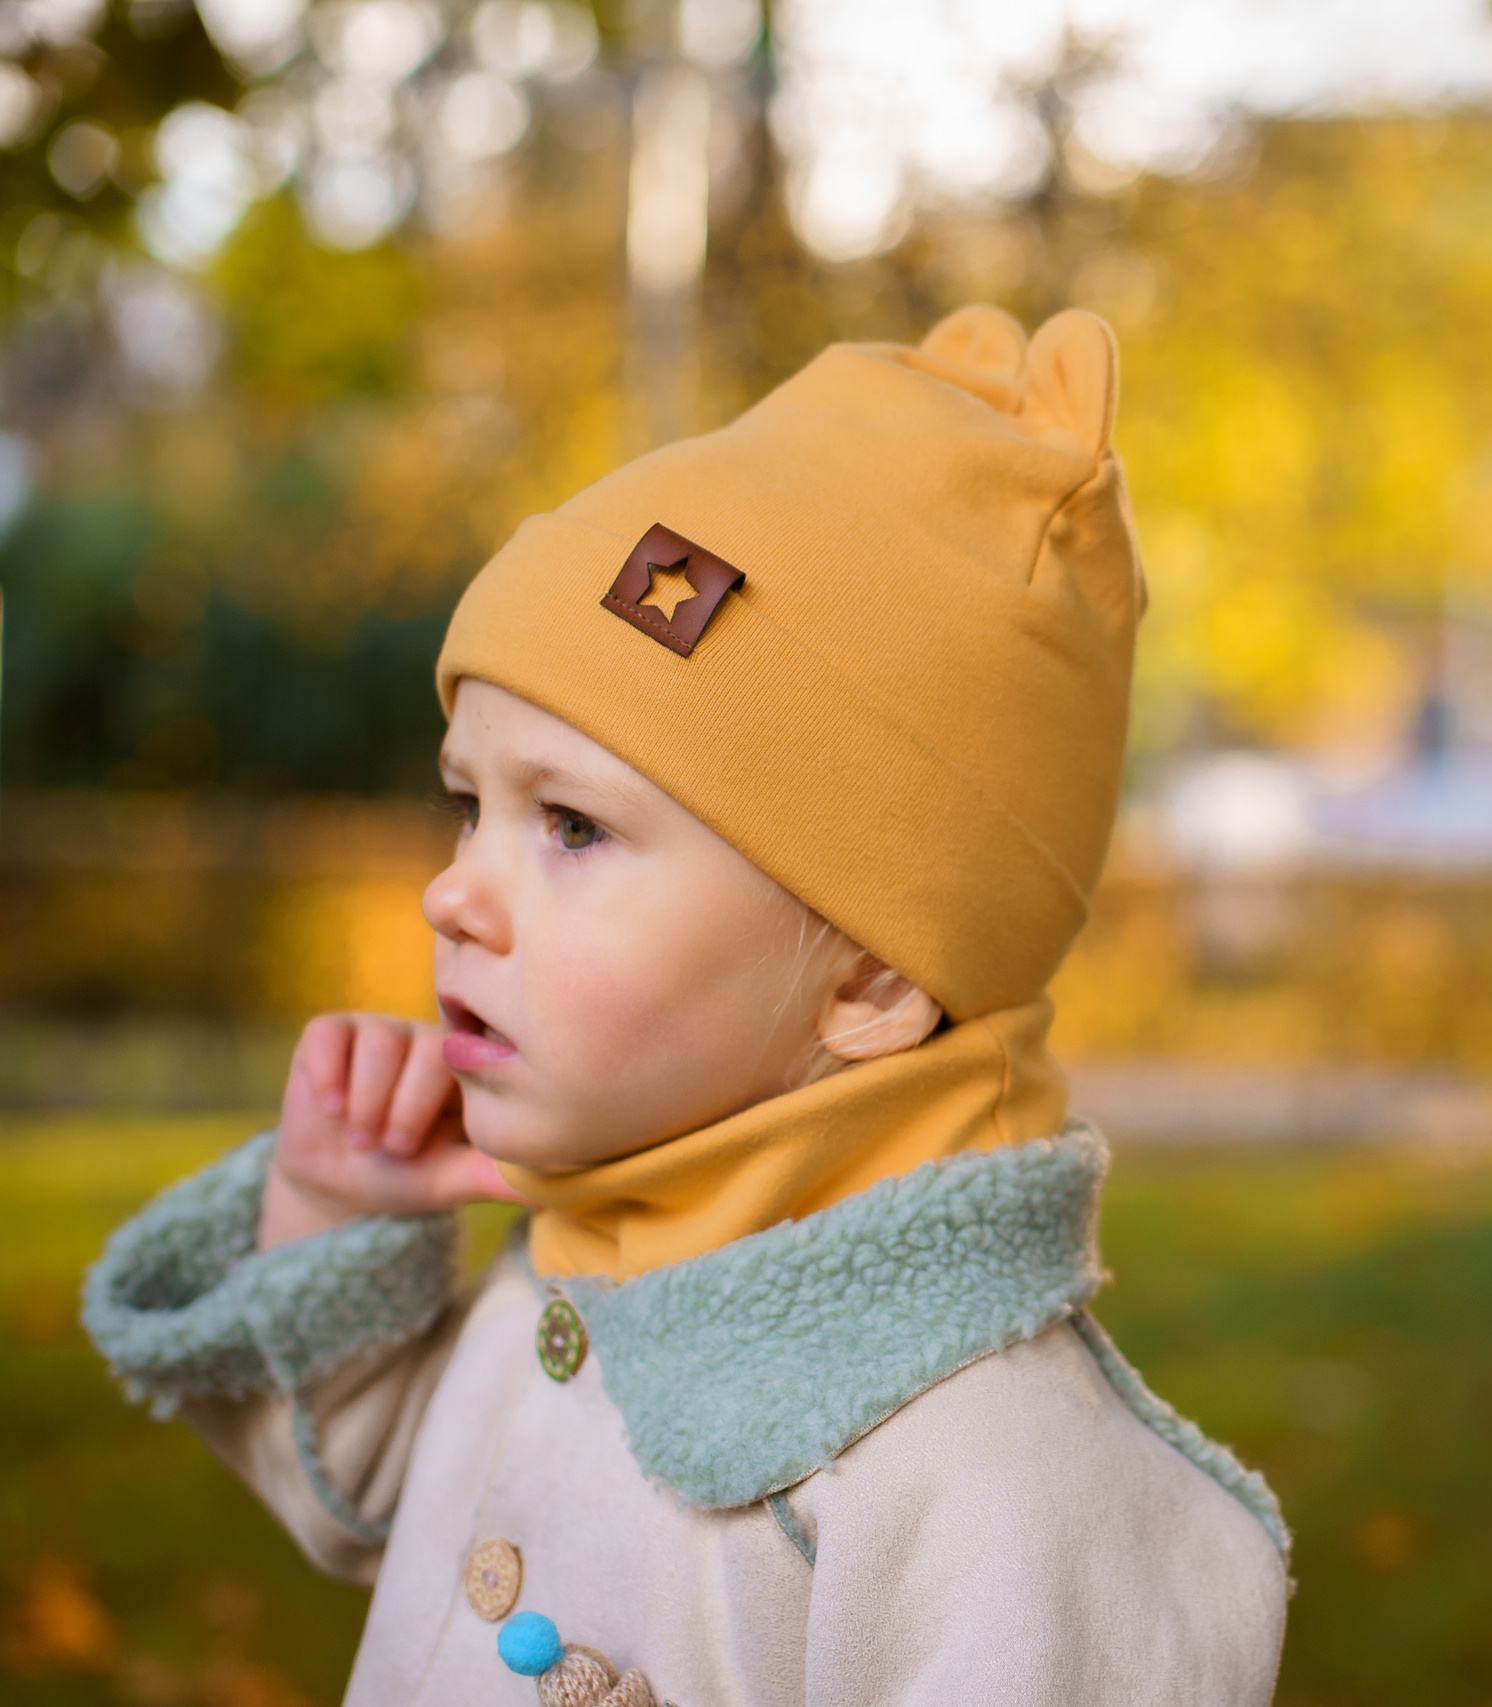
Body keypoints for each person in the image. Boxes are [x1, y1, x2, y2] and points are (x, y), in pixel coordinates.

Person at [82, 306, 1289, 1707]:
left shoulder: (997, 1481)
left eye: (574, 828)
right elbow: (371, 1503)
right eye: (470, 804)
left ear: (872, 976)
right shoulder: (595, 1256)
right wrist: (334, 1217)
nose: (452, 894)